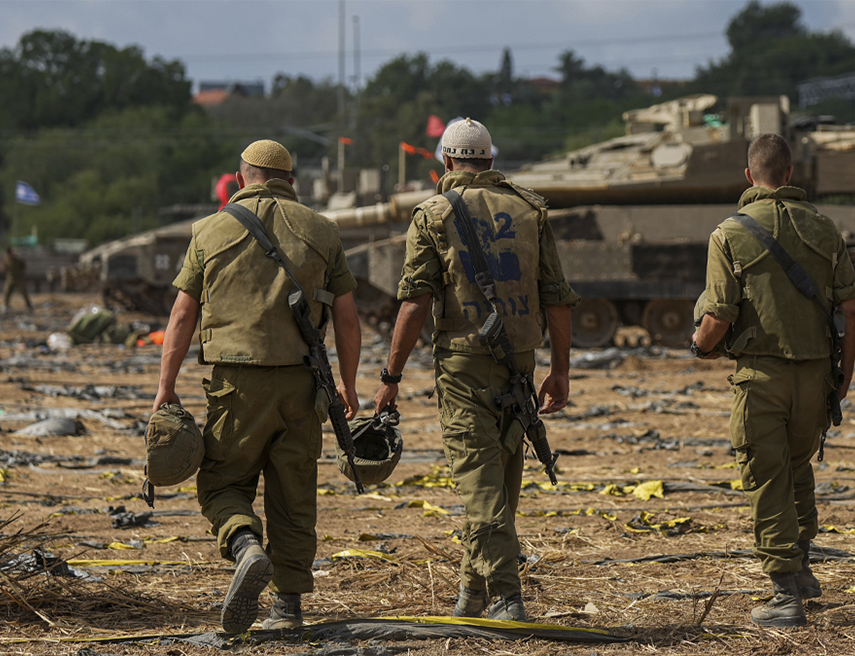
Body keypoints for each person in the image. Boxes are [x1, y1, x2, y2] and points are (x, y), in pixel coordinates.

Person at [372, 118, 579, 622]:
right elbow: (557, 298)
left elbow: (415, 305)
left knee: (480, 485)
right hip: (521, 365)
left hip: (464, 367)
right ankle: (473, 592)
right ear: (490, 159)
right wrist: (561, 371)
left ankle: (507, 596)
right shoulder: (531, 209)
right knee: (501, 484)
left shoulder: (432, 213)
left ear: (445, 161)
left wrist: (391, 378)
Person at [152, 140, 361, 633]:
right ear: (291, 180)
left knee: (221, 482)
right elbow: (348, 320)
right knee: (295, 493)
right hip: (302, 385)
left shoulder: (209, 230)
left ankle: (244, 543)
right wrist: (349, 387)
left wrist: (166, 386)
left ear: (241, 177)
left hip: (235, 385)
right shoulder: (322, 230)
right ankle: (288, 607)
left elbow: (182, 314)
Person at [691, 133, 855, 628]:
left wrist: (700, 344)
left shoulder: (729, 234)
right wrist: (843, 376)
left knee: (766, 479)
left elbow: (719, 314)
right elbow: (851, 307)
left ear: (750, 176)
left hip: (761, 378)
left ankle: (785, 591)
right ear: (790, 174)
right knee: (796, 465)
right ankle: (804, 567)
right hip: (816, 377)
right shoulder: (825, 228)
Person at [2, 247, 33, 312]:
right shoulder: (6, 260)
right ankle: (5, 306)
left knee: (23, 292)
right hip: (10, 279)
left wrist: (21, 273)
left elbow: (24, 266)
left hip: (18, 279)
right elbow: (5, 268)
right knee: (7, 292)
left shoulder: (18, 259)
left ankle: (29, 306)